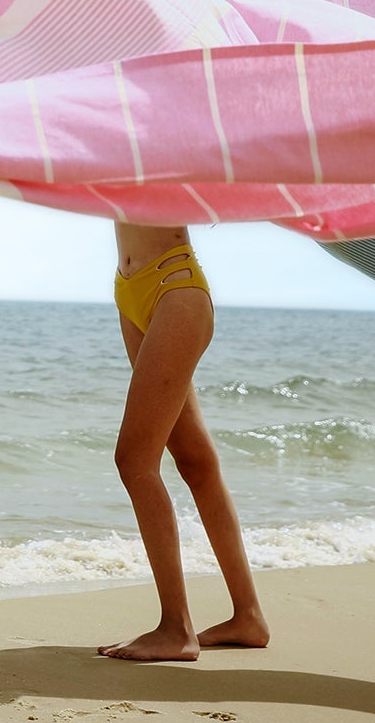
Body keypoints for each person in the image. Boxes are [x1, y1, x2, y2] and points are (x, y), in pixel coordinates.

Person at [98, 224, 271, 662]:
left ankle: (176, 628)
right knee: (195, 462)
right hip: (130, 289)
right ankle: (248, 617)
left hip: (175, 288)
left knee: (135, 461)